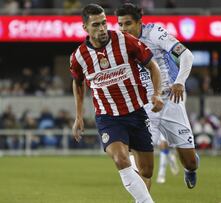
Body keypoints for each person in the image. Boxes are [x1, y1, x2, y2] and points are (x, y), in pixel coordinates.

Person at [70, 4, 163, 203]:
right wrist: (78, 116)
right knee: (120, 159)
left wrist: (157, 94)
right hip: (108, 117)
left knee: (146, 171)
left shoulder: (125, 41)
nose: (102, 28)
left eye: (104, 23)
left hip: (136, 113)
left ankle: (132, 169)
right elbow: (78, 83)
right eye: (96, 25)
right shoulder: (79, 57)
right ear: (85, 27)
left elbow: (153, 66)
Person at [116, 3, 199, 189]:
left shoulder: (154, 33)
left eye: (128, 23)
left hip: (170, 99)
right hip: (143, 106)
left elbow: (187, 56)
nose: (123, 28)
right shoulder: (118, 42)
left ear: (140, 22)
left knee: (190, 162)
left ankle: (190, 168)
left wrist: (180, 81)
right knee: (144, 169)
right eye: (120, 24)